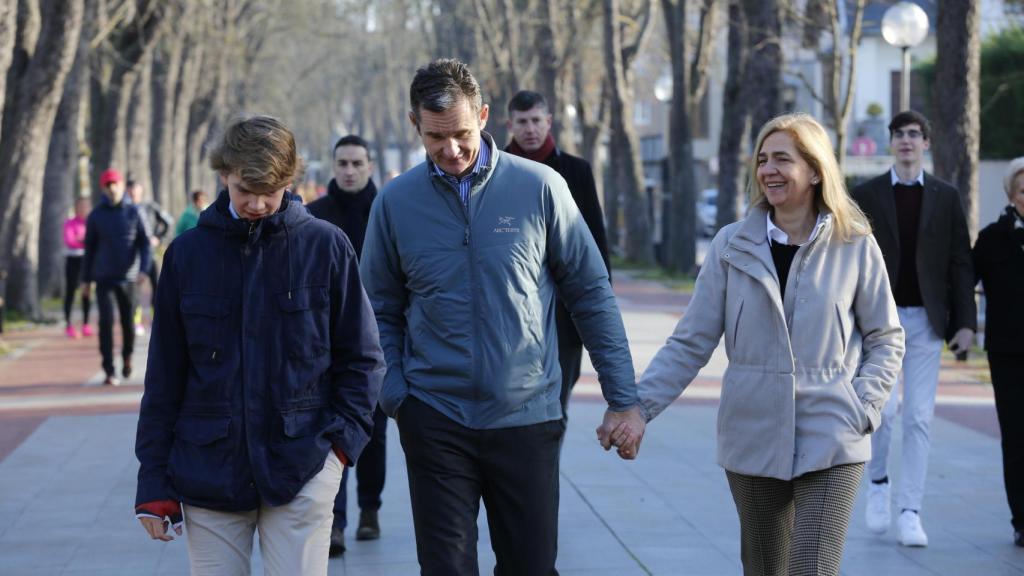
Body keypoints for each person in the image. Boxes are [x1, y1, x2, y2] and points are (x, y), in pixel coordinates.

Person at [360, 58, 644, 576]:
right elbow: (377, 307)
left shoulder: (540, 187)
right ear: (414, 124)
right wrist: (397, 396)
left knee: (530, 567)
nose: (451, 150)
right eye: (435, 137)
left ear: (485, 116)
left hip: (526, 417)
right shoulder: (395, 203)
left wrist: (623, 399)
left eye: (462, 134)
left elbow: (590, 292)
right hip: (435, 417)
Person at [632, 113, 905, 576]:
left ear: (815, 170)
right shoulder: (730, 246)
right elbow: (690, 342)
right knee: (764, 568)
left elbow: (886, 336)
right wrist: (639, 408)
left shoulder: (855, 244)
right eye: (762, 160)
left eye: (782, 159)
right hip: (751, 432)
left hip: (833, 432)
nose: (768, 170)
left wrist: (864, 406)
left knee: (812, 568)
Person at [133, 115, 385, 576]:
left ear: (290, 181)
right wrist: (152, 479)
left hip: (304, 467)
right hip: (208, 471)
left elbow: (363, 359)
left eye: (269, 191)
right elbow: (165, 375)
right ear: (223, 175)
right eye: (244, 190)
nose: (256, 203)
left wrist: (338, 452)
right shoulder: (187, 256)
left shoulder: (326, 247)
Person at [853, 110, 976, 547]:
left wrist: (966, 323)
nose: (906, 140)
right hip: (878, 321)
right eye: (899, 134)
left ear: (926, 143)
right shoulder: (866, 194)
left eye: (914, 134)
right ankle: (879, 484)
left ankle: (910, 512)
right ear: (891, 142)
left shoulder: (945, 196)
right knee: (884, 412)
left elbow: (960, 261)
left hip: (926, 321)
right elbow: (848, 255)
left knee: (919, 417)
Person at [504, 90, 611, 421]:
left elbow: (595, 245)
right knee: (510, 407)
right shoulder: (496, 171)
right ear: (510, 125)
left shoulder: (577, 171)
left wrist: (599, 312)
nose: (530, 129)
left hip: (565, 315)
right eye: (522, 122)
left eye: (536, 120)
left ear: (549, 121)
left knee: (555, 407)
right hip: (510, 311)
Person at [307, 134, 386, 555]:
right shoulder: (315, 215)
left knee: (373, 433)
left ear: (370, 166)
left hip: (377, 344)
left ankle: (370, 509)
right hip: (326, 343)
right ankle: (334, 522)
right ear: (333, 166)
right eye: (343, 163)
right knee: (328, 434)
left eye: (357, 163)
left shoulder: (387, 210)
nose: (350, 171)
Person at [972, 157, 1024, 546]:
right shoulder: (992, 238)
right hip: (1008, 353)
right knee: (1016, 437)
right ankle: (1022, 519)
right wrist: (959, 326)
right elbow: (964, 281)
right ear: (1011, 195)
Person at [82, 169, 151, 386]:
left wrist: (144, 269)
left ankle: (127, 357)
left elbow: (145, 242)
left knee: (128, 322)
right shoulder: (96, 215)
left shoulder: (135, 212)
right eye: (108, 185)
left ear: (121, 186)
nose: (112, 188)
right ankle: (109, 368)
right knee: (105, 322)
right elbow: (89, 249)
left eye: (115, 184)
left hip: (129, 278)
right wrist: (86, 280)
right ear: (103, 188)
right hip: (104, 278)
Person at [127, 180, 173, 335]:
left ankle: (156, 320)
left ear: (141, 190)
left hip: (150, 254)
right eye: (131, 190)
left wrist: (158, 238)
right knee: (135, 290)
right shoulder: (125, 209)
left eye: (136, 190)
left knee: (157, 287)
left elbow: (168, 222)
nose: (133, 193)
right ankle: (136, 322)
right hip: (133, 257)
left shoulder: (150, 207)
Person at [63, 197, 94, 339]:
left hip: (87, 260)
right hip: (73, 261)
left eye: (86, 206)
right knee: (71, 292)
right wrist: (86, 241)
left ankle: (86, 324)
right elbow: (70, 241)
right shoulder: (70, 223)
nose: (83, 209)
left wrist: (82, 240)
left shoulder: (92, 223)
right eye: (81, 206)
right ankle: (68, 325)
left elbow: (95, 241)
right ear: (75, 208)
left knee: (86, 292)